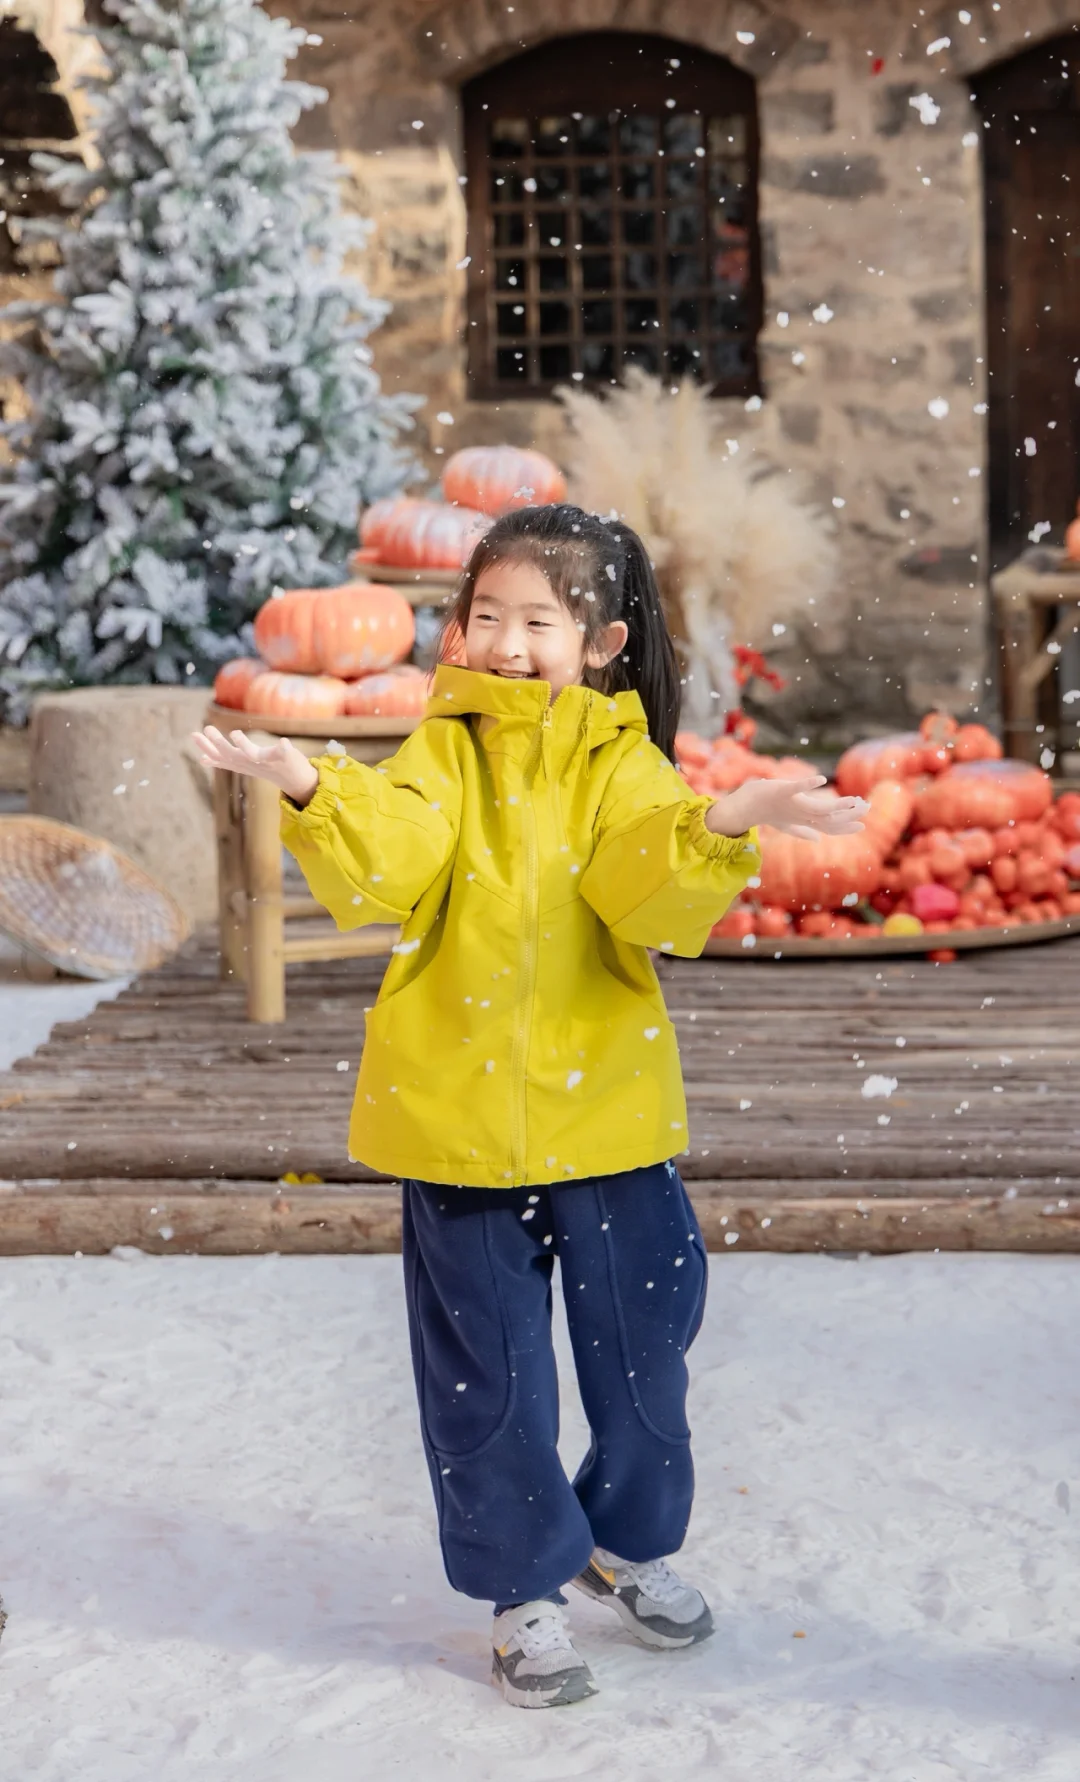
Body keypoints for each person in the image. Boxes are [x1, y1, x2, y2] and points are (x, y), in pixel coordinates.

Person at [193, 503, 864, 1710]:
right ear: (455, 629)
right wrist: (305, 778)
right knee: (487, 1379)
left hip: (605, 1117)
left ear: (600, 641)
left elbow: (639, 875)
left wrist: (733, 817)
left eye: (537, 620)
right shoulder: (443, 753)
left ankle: (627, 1539)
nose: (506, 640)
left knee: (647, 1353)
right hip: (456, 1121)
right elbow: (396, 852)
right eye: (485, 614)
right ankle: (524, 1591)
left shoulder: (622, 761)